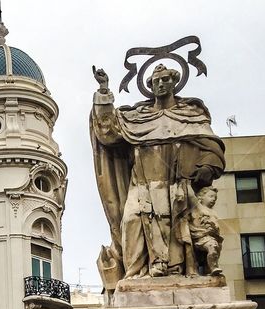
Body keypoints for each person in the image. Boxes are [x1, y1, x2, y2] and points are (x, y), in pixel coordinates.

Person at [90, 63, 226, 289]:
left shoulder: (190, 115)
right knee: (132, 222)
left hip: (176, 184)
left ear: (175, 82)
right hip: (141, 185)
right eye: (155, 81)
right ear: (150, 87)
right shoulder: (138, 118)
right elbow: (107, 133)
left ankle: (173, 270)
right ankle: (136, 275)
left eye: (165, 80)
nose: (160, 84)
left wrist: (206, 167)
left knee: (175, 226)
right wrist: (104, 92)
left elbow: (212, 148)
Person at [187, 186, 223, 276]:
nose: (214, 199)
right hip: (200, 236)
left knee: (214, 249)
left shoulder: (213, 212)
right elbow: (191, 196)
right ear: (201, 197)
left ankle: (209, 269)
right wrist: (186, 182)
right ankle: (213, 267)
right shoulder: (198, 207)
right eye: (211, 196)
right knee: (212, 247)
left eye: (215, 198)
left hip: (213, 237)